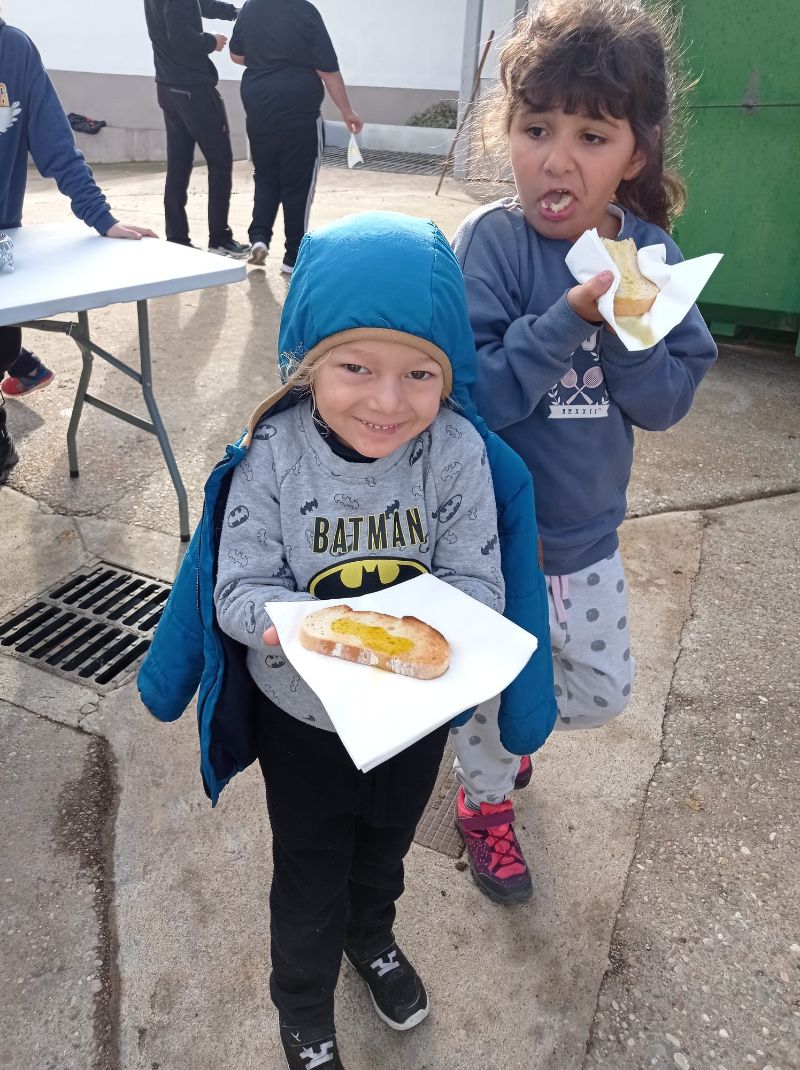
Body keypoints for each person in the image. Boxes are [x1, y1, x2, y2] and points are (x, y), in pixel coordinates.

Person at [137, 211, 556, 1067]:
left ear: (449, 374)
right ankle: (301, 1000)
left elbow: (479, 585)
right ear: (307, 364)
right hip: (303, 721)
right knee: (308, 867)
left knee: (385, 850)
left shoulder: (455, 453)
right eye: (356, 367)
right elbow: (235, 588)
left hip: (411, 724)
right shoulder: (274, 453)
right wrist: (299, 627)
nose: (387, 401)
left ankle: (372, 938)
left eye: (419, 373)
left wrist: (420, 649)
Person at [449, 0, 718, 904]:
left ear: (633, 155)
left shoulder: (651, 255)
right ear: (509, 133)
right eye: (537, 129)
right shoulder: (492, 246)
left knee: (600, 691)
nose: (556, 159)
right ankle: (484, 795)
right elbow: (477, 395)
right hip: (493, 542)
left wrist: (627, 333)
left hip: (588, 539)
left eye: (591, 136)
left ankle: (505, 729)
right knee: (493, 691)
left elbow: (668, 400)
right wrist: (565, 320)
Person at [0, 16, 156, 483]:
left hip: (3, 244)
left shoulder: (13, 49)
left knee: (4, 341)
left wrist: (101, 217)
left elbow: (55, 144)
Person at [229, 0, 363, 274]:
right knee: (298, 183)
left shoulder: (251, 8)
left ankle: (259, 237)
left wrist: (267, 56)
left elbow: (237, 55)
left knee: (265, 175)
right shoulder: (305, 10)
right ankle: (293, 256)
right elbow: (327, 69)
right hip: (298, 108)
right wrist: (347, 111)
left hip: (259, 105)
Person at [144, 0, 250, 258]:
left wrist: (232, 12)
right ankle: (219, 239)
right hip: (193, 90)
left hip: (167, 87)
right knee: (220, 162)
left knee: (178, 165)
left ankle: (176, 238)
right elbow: (181, 37)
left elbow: (197, 4)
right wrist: (212, 42)